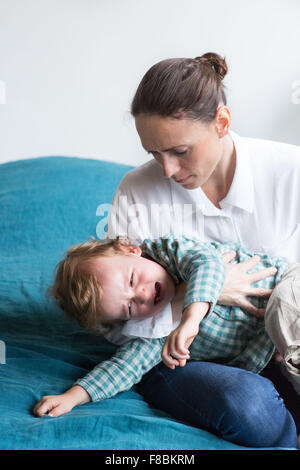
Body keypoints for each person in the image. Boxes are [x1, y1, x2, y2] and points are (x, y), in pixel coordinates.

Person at [39, 52, 300, 448]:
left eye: (179, 151)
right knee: (248, 405)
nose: (166, 171)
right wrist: (203, 293)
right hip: (182, 350)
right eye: (153, 153)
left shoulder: (289, 171)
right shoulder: (136, 192)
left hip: (284, 329)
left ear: (222, 123)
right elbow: (123, 326)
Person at [33, 234, 300, 447]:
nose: (141, 295)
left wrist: (191, 319)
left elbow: (207, 264)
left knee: (283, 306)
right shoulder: (153, 331)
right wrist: (72, 397)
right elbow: (124, 368)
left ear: (131, 250)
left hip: (282, 287)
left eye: (132, 279)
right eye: (129, 307)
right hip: (270, 349)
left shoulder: (170, 251)